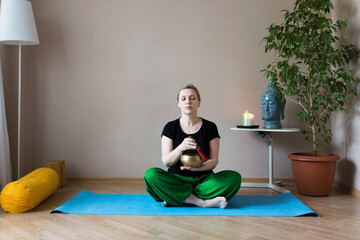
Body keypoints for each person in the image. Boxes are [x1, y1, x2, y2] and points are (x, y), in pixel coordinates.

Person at [144, 84, 241, 208]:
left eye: (192, 98)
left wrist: (198, 169)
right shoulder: (170, 127)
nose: (188, 101)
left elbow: (214, 161)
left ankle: (177, 196)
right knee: (151, 175)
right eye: (183, 99)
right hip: (176, 179)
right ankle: (201, 202)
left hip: (204, 180)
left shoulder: (210, 127)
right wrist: (181, 147)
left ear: (199, 102)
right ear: (178, 103)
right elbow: (167, 162)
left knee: (234, 178)